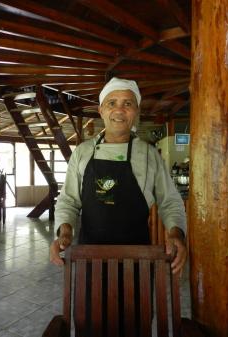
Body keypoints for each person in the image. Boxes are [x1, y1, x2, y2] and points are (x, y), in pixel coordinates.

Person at [50, 77, 187, 274]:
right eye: (112, 103)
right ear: (101, 110)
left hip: (137, 260)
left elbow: (170, 202)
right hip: (89, 259)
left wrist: (176, 234)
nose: (119, 110)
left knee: (136, 306)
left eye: (128, 104)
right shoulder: (82, 152)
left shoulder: (149, 155)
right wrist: (64, 232)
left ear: (137, 112)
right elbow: (68, 200)